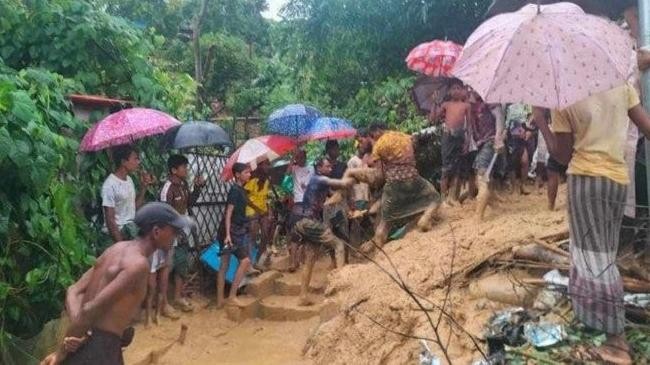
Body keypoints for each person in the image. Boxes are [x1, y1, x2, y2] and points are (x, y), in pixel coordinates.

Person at [535, 82, 650, 365]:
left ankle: (617, 342)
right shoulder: (621, 85)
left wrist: (541, 121)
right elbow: (647, 127)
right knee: (604, 254)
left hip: (586, 180)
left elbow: (561, 155)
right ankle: (594, 318)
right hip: (618, 180)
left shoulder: (564, 95)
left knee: (595, 259)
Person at [40, 203, 192, 365]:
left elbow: (73, 291)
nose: (176, 235)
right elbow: (90, 309)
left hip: (87, 344)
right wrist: (61, 352)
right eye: (173, 231)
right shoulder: (138, 265)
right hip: (102, 351)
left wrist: (82, 333)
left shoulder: (116, 249)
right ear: (156, 232)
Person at [348, 126, 441, 252]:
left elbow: (379, 176)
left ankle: (378, 253)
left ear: (374, 133)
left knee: (384, 225)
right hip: (413, 180)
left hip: (394, 186)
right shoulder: (404, 136)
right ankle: (425, 219)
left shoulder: (379, 145)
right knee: (435, 198)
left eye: (367, 138)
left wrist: (364, 175)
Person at [293, 159, 352, 306]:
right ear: (319, 168)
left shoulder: (318, 182)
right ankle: (341, 290)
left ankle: (303, 296)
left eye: (331, 165)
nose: (330, 167)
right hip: (311, 222)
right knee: (339, 245)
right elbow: (340, 190)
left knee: (310, 258)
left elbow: (332, 195)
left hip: (303, 222)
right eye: (327, 166)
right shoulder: (320, 178)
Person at [159, 155, 205, 314]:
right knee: (166, 268)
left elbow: (189, 202)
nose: (187, 169)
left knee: (181, 265)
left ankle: (177, 298)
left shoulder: (183, 185)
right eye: (184, 167)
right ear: (173, 170)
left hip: (182, 231)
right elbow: (163, 214)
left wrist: (198, 188)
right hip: (170, 233)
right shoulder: (167, 189)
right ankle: (163, 303)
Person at [100, 145, 153, 252]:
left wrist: (143, 187)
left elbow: (134, 208)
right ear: (124, 161)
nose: (138, 162)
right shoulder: (109, 185)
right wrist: (122, 247)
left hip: (129, 234)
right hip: (114, 238)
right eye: (135, 158)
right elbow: (111, 221)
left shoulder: (129, 180)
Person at [216, 163, 253, 308]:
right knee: (245, 261)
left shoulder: (241, 190)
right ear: (237, 175)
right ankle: (232, 296)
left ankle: (220, 301)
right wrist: (228, 234)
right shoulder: (235, 190)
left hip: (230, 231)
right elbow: (228, 212)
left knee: (224, 264)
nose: (249, 175)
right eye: (246, 172)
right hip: (231, 232)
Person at [433, 79, 472, 205]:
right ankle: (443, 199)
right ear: (449, 91)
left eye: (458, 88)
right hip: (448, 137)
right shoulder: (446, 105)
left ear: (462, 91)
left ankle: (453, 198)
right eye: (453, 88)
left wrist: (467, 141)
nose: (456, 91)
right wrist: (434, 102)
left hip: (460, 137)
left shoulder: (466, 106)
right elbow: (433, 118)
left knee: (457, 168)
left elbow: (470, 126)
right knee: (446, 168)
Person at [469, 93, 506, 222]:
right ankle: (495, 207)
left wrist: (498, 137)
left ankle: (478, 217)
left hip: (490, 142)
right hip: (482, 143)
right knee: (481, 179)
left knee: (481, 178)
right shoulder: (473, 103)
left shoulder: (489, 100)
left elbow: (499, 115)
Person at [287, 150, 313, 272]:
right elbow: (287, 173)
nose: (299, 159)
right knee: (294, 234)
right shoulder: (294, 168)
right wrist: (292, 157)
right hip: (298, 202)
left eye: (301, 156)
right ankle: (293, 262)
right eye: (298, 157)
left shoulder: (311, 168)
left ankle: (302, 260)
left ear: (306, 157)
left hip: (309, 203)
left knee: (307, 233)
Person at [244, 160, 272, 270]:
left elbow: (266, 197)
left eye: (268, 164)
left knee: (265, 235)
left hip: (263, 209)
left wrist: (268, 210)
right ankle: (250, 264)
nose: (268, 166)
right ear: (260, 165)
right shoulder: (252, 178)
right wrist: (257, 209)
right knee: (253, 235)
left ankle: (256, 260)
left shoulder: (267, 180)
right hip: (251, 209)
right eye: (266, 164)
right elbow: (245, 197)